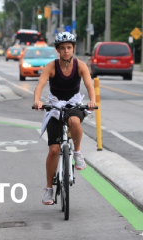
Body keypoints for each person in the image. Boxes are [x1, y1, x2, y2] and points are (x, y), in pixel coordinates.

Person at [33, 32, 97, 205]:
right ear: (58, 50)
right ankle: (48, 189)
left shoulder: (80, 66)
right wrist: (37, 101)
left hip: (73, 104)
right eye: (63, 48)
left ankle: (77, 152)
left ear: (73, 49)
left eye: (69, 48)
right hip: (54, 106)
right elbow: (40, 85)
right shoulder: (51, 67)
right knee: (54, 150)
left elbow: (89, 85)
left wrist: (92, 101)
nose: (66, 51)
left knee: (75, 122)